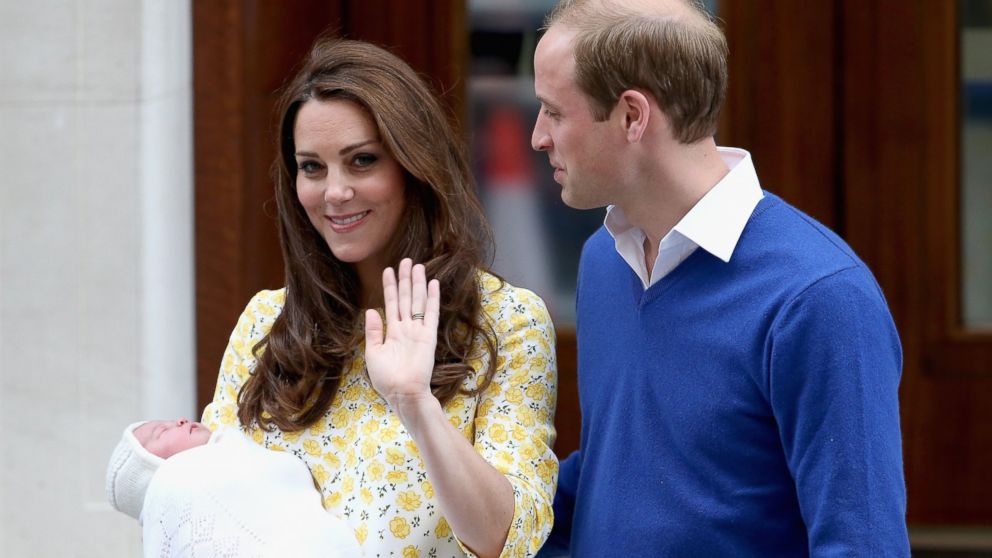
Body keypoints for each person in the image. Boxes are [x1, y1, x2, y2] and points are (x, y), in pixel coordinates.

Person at [529, 0, 909, 556]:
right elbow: (620, 468)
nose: (538, 136)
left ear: (633, 115)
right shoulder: (604, 262)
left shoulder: (820, 298)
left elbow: (861, 542)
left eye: (554, 112)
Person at [201, 37, 558, 558]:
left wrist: (415, 403)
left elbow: (506, 538)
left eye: (362, 161)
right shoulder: (266, 322)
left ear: (413, 166)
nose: (335, 192)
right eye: (312, 167)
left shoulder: (507, 321)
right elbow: (207, 500)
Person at [105, 418, 363, 557]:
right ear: (150, 471)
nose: (181, 421)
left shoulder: (231, 445)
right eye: (162, 431)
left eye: (171, 420)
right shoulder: (175, 483)